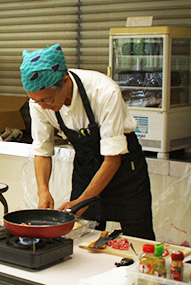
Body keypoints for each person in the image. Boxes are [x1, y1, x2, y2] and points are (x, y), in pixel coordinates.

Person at [20, 43, 155, 240]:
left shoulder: (104, 92)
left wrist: (83, 200)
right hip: (86, 166)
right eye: (35, 101)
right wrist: (43, 191)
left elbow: (112, 159)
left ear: (65, 81)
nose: (42, 106)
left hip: (125, 171)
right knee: (84, 237)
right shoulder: (39, 101)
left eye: (47, 100)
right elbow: (42, 149)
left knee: (138, 236)